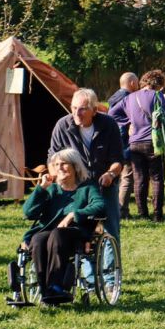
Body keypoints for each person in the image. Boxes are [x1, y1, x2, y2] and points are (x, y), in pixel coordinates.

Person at [21, 148, 107, 305]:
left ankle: (56, 286)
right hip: (49, 233)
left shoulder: (87, 187)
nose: (59, 167)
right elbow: (28, 213)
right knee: (39, 238)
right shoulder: (52, 189)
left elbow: (100, 206)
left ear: (75, 167)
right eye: (56, 164)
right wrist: (40, 189)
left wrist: (74, 214)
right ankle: (45, 289)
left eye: (64, 164)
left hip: (74, 233)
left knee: (57, 234)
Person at [47, 88, 126, 240]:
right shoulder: (62, 126)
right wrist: (56, 177)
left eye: (82, 109)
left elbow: (118, 160)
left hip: (104, 186)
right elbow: (52, 158)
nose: (77, 113)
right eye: (74, 108)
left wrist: (110, 174)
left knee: (111, 231)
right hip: (76, 188)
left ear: (94, 110)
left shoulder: (109, 125)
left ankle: (110, 264)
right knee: (76, 231)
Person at [119, 70, 165, 222]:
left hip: (134, 143)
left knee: (139, 179)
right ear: (158, 84)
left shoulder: (129, 98)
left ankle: (142, 214)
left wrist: (128, 122)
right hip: (154, 143)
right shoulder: (158, 96)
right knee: (157, 178)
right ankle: (157, 214)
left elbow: (113, 113)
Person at [108, 71, 139, 218]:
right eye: (137, 83)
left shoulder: (114, 97)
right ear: (132, 83)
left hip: (112, 142)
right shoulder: (129, 98)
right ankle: (122, 211)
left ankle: (112, 208)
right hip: (124, 142)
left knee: (114, 177)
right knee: (127, 176)